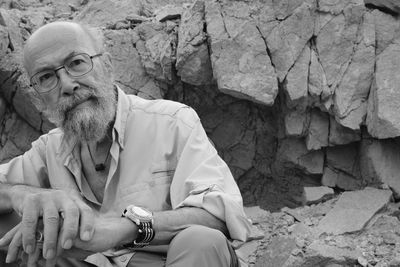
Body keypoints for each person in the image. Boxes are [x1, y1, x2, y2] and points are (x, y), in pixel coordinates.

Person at [0, 21, 251, 267]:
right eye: (46, 77)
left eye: (76, 63)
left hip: (170, 261)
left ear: (107, 66)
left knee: (202, 240)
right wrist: (23, 195)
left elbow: (220, 216)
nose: (67, 85)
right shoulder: (49, 150)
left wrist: (121, 228)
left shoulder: (172, 122)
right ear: (38, 98)